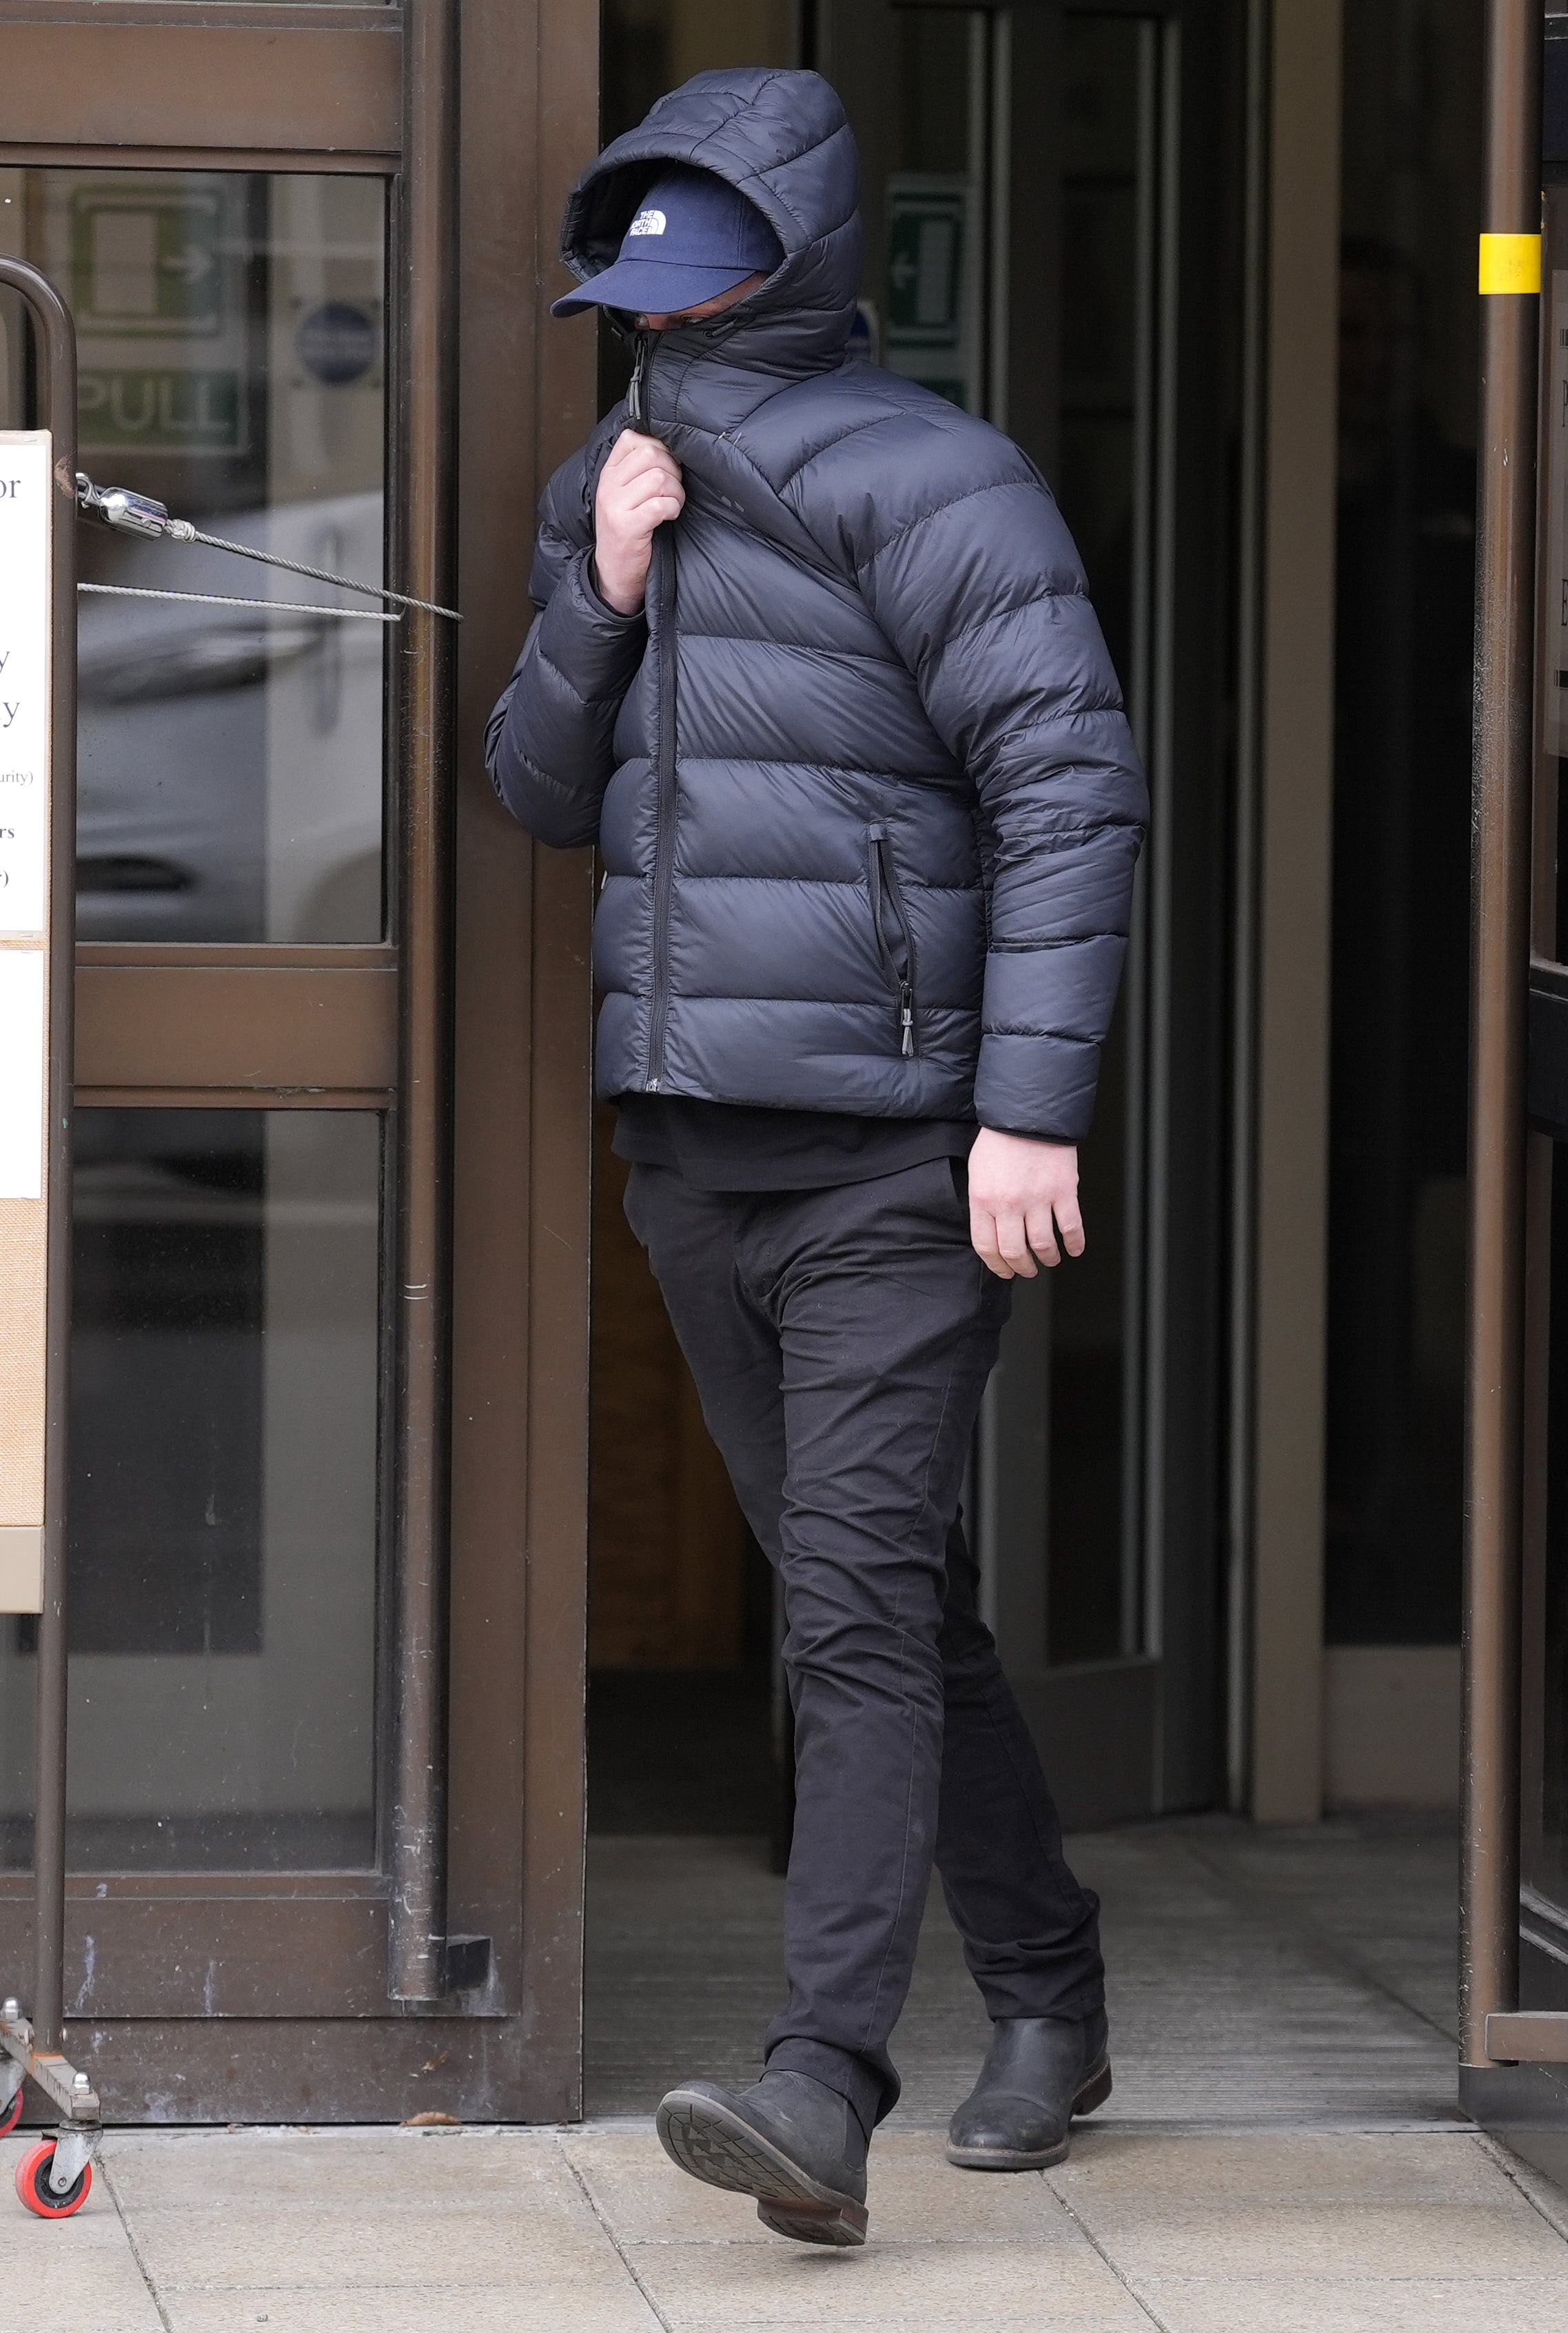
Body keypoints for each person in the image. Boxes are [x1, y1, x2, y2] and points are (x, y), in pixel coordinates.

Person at [487, 67, 1147, 2250]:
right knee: (877, 1604)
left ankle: (818, 2088)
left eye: (693, 278)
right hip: (693, 1149)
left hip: (896, 1156)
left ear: (795, 257)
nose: (654, 319)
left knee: (851, 1610)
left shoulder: (945, 483)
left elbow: (1068, 789)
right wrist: (597, 581)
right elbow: (537, 789)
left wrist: (1024, 1107)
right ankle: (1045, 1998)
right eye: (637, 289)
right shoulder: (621, 473)